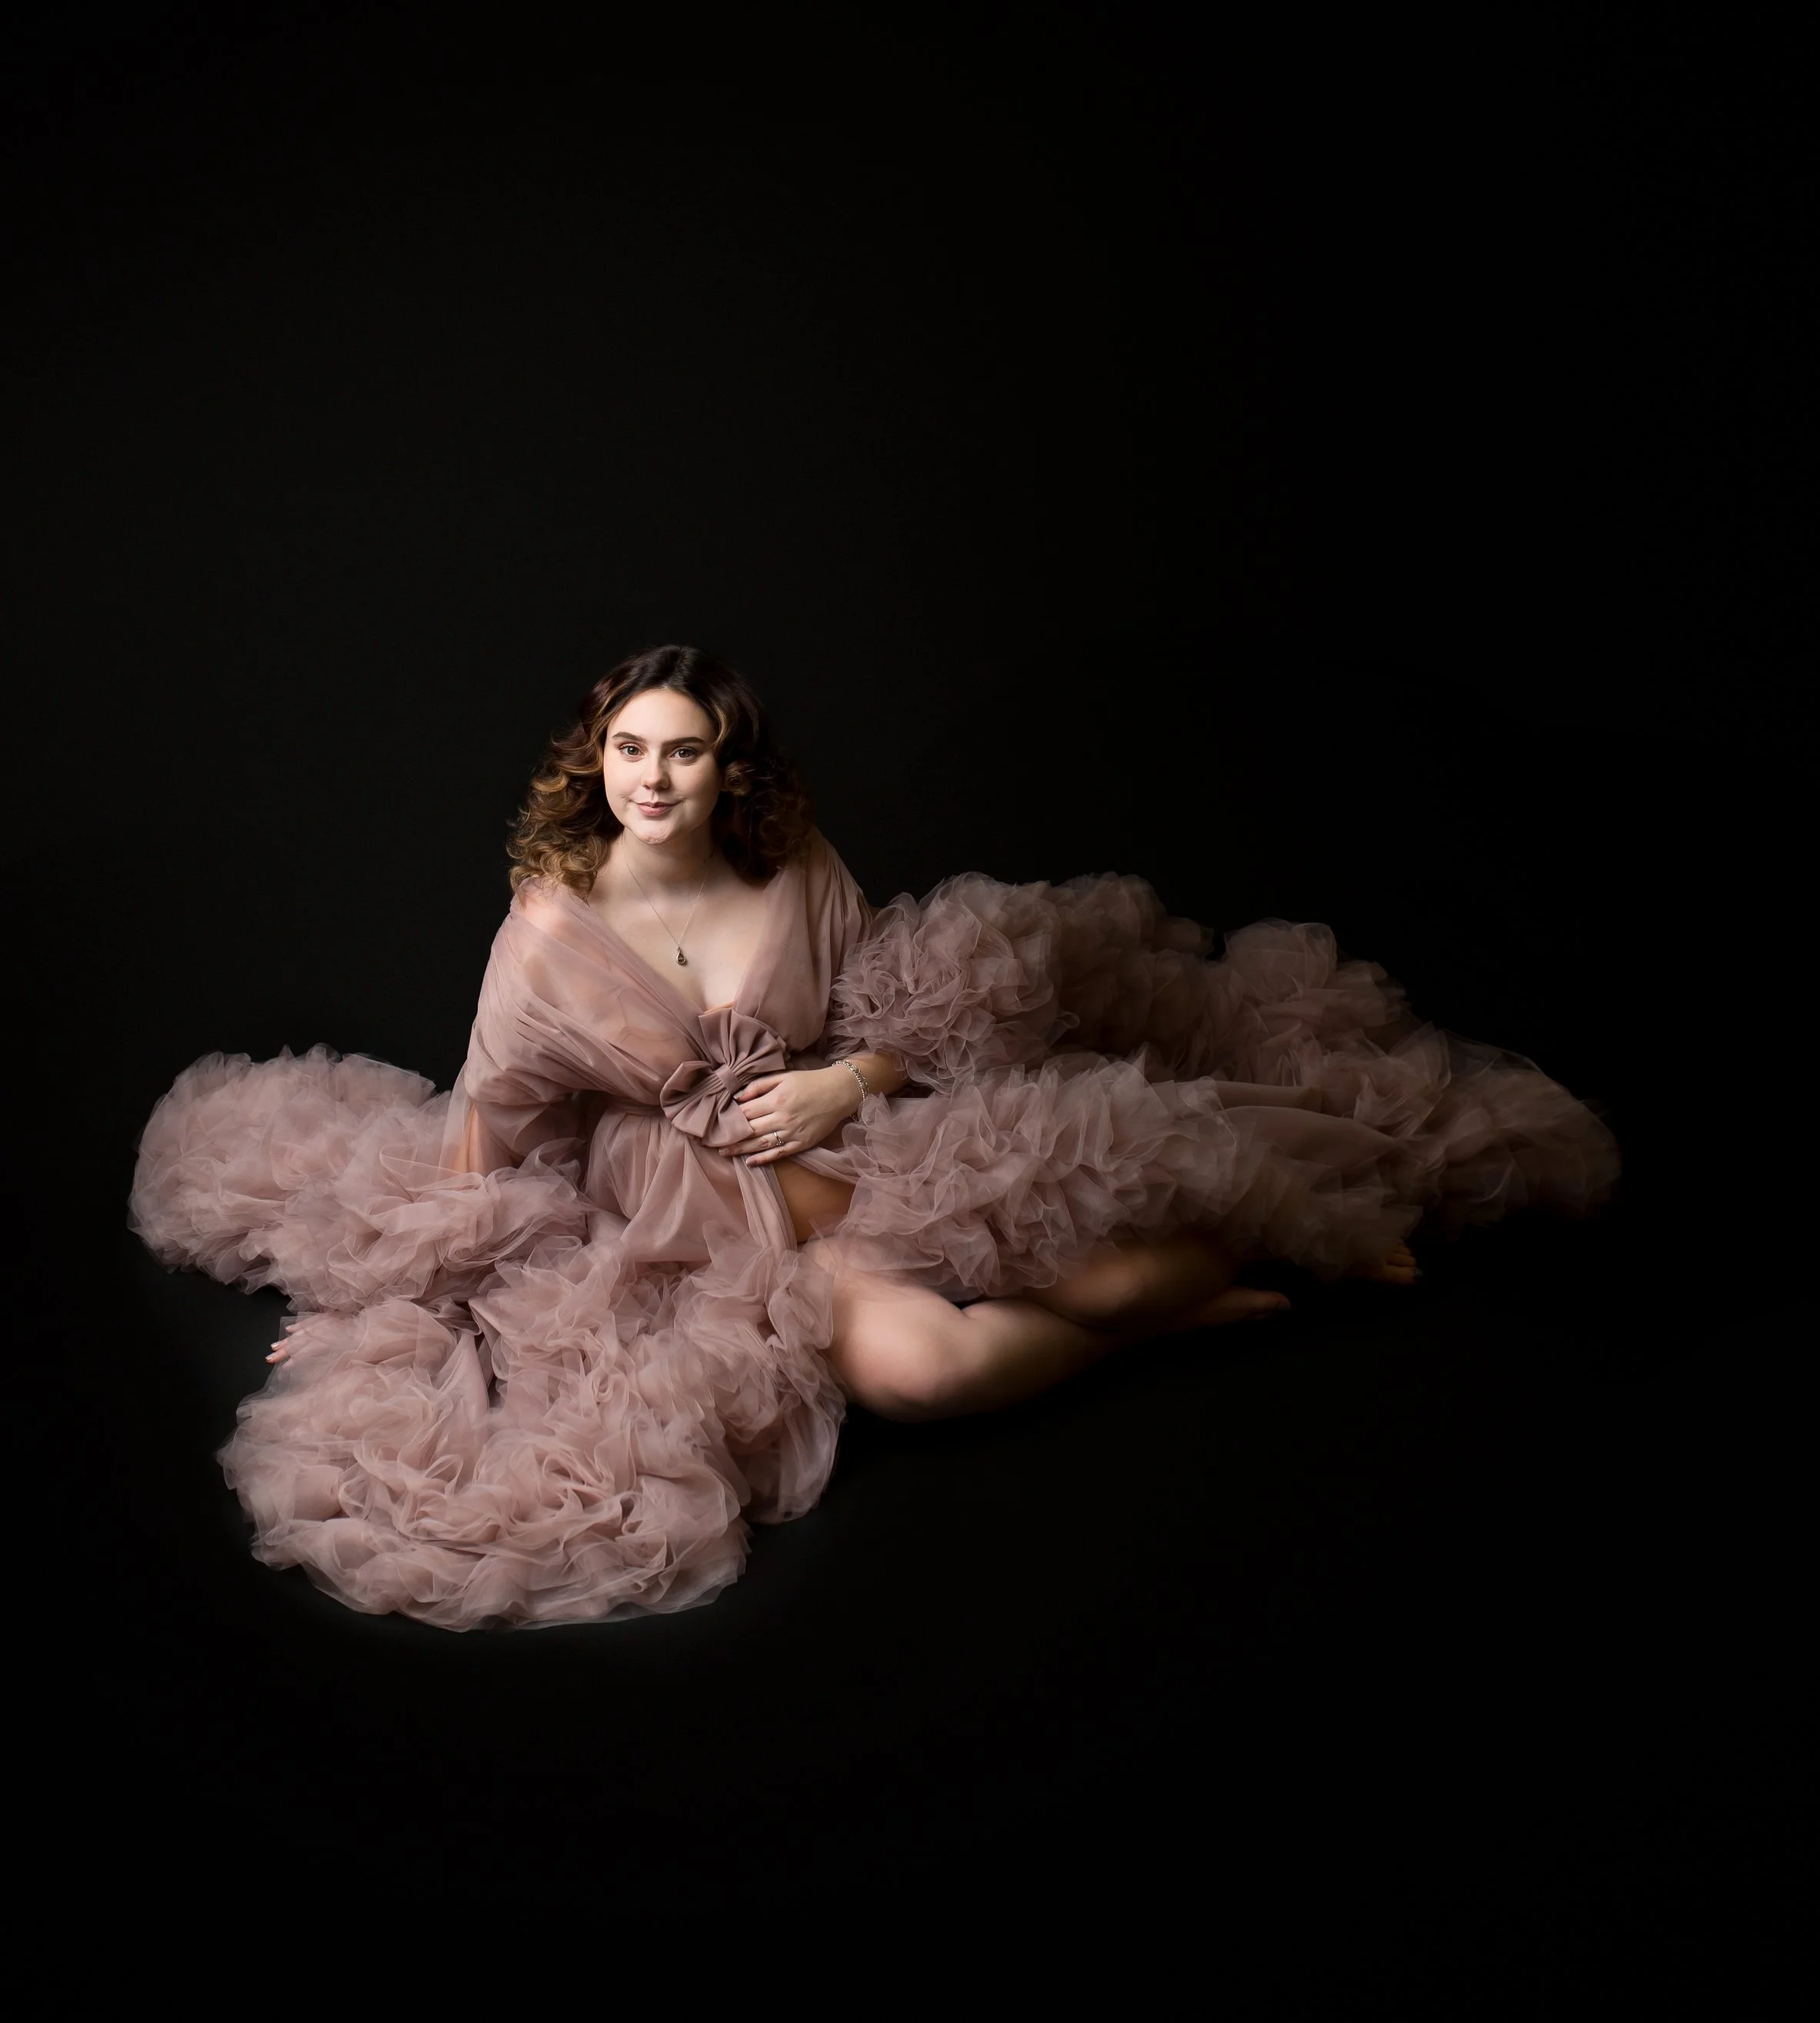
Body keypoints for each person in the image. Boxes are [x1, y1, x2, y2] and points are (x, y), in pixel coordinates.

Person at [132, 645, 1617, 1628]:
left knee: (1112, 1258)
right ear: (598, 763)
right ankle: (1166, 1319)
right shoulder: (544, 941)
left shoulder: (797, 871)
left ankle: (1240, 1267)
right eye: (631, 751)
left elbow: (888, 1014)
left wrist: (853, 1081)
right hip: (691, 1227)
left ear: (732, 769)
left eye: (688, 752)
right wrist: (391, 1301)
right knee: (925, 1368)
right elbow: (484, 1128)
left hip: (864, 1147)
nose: (655, 780)